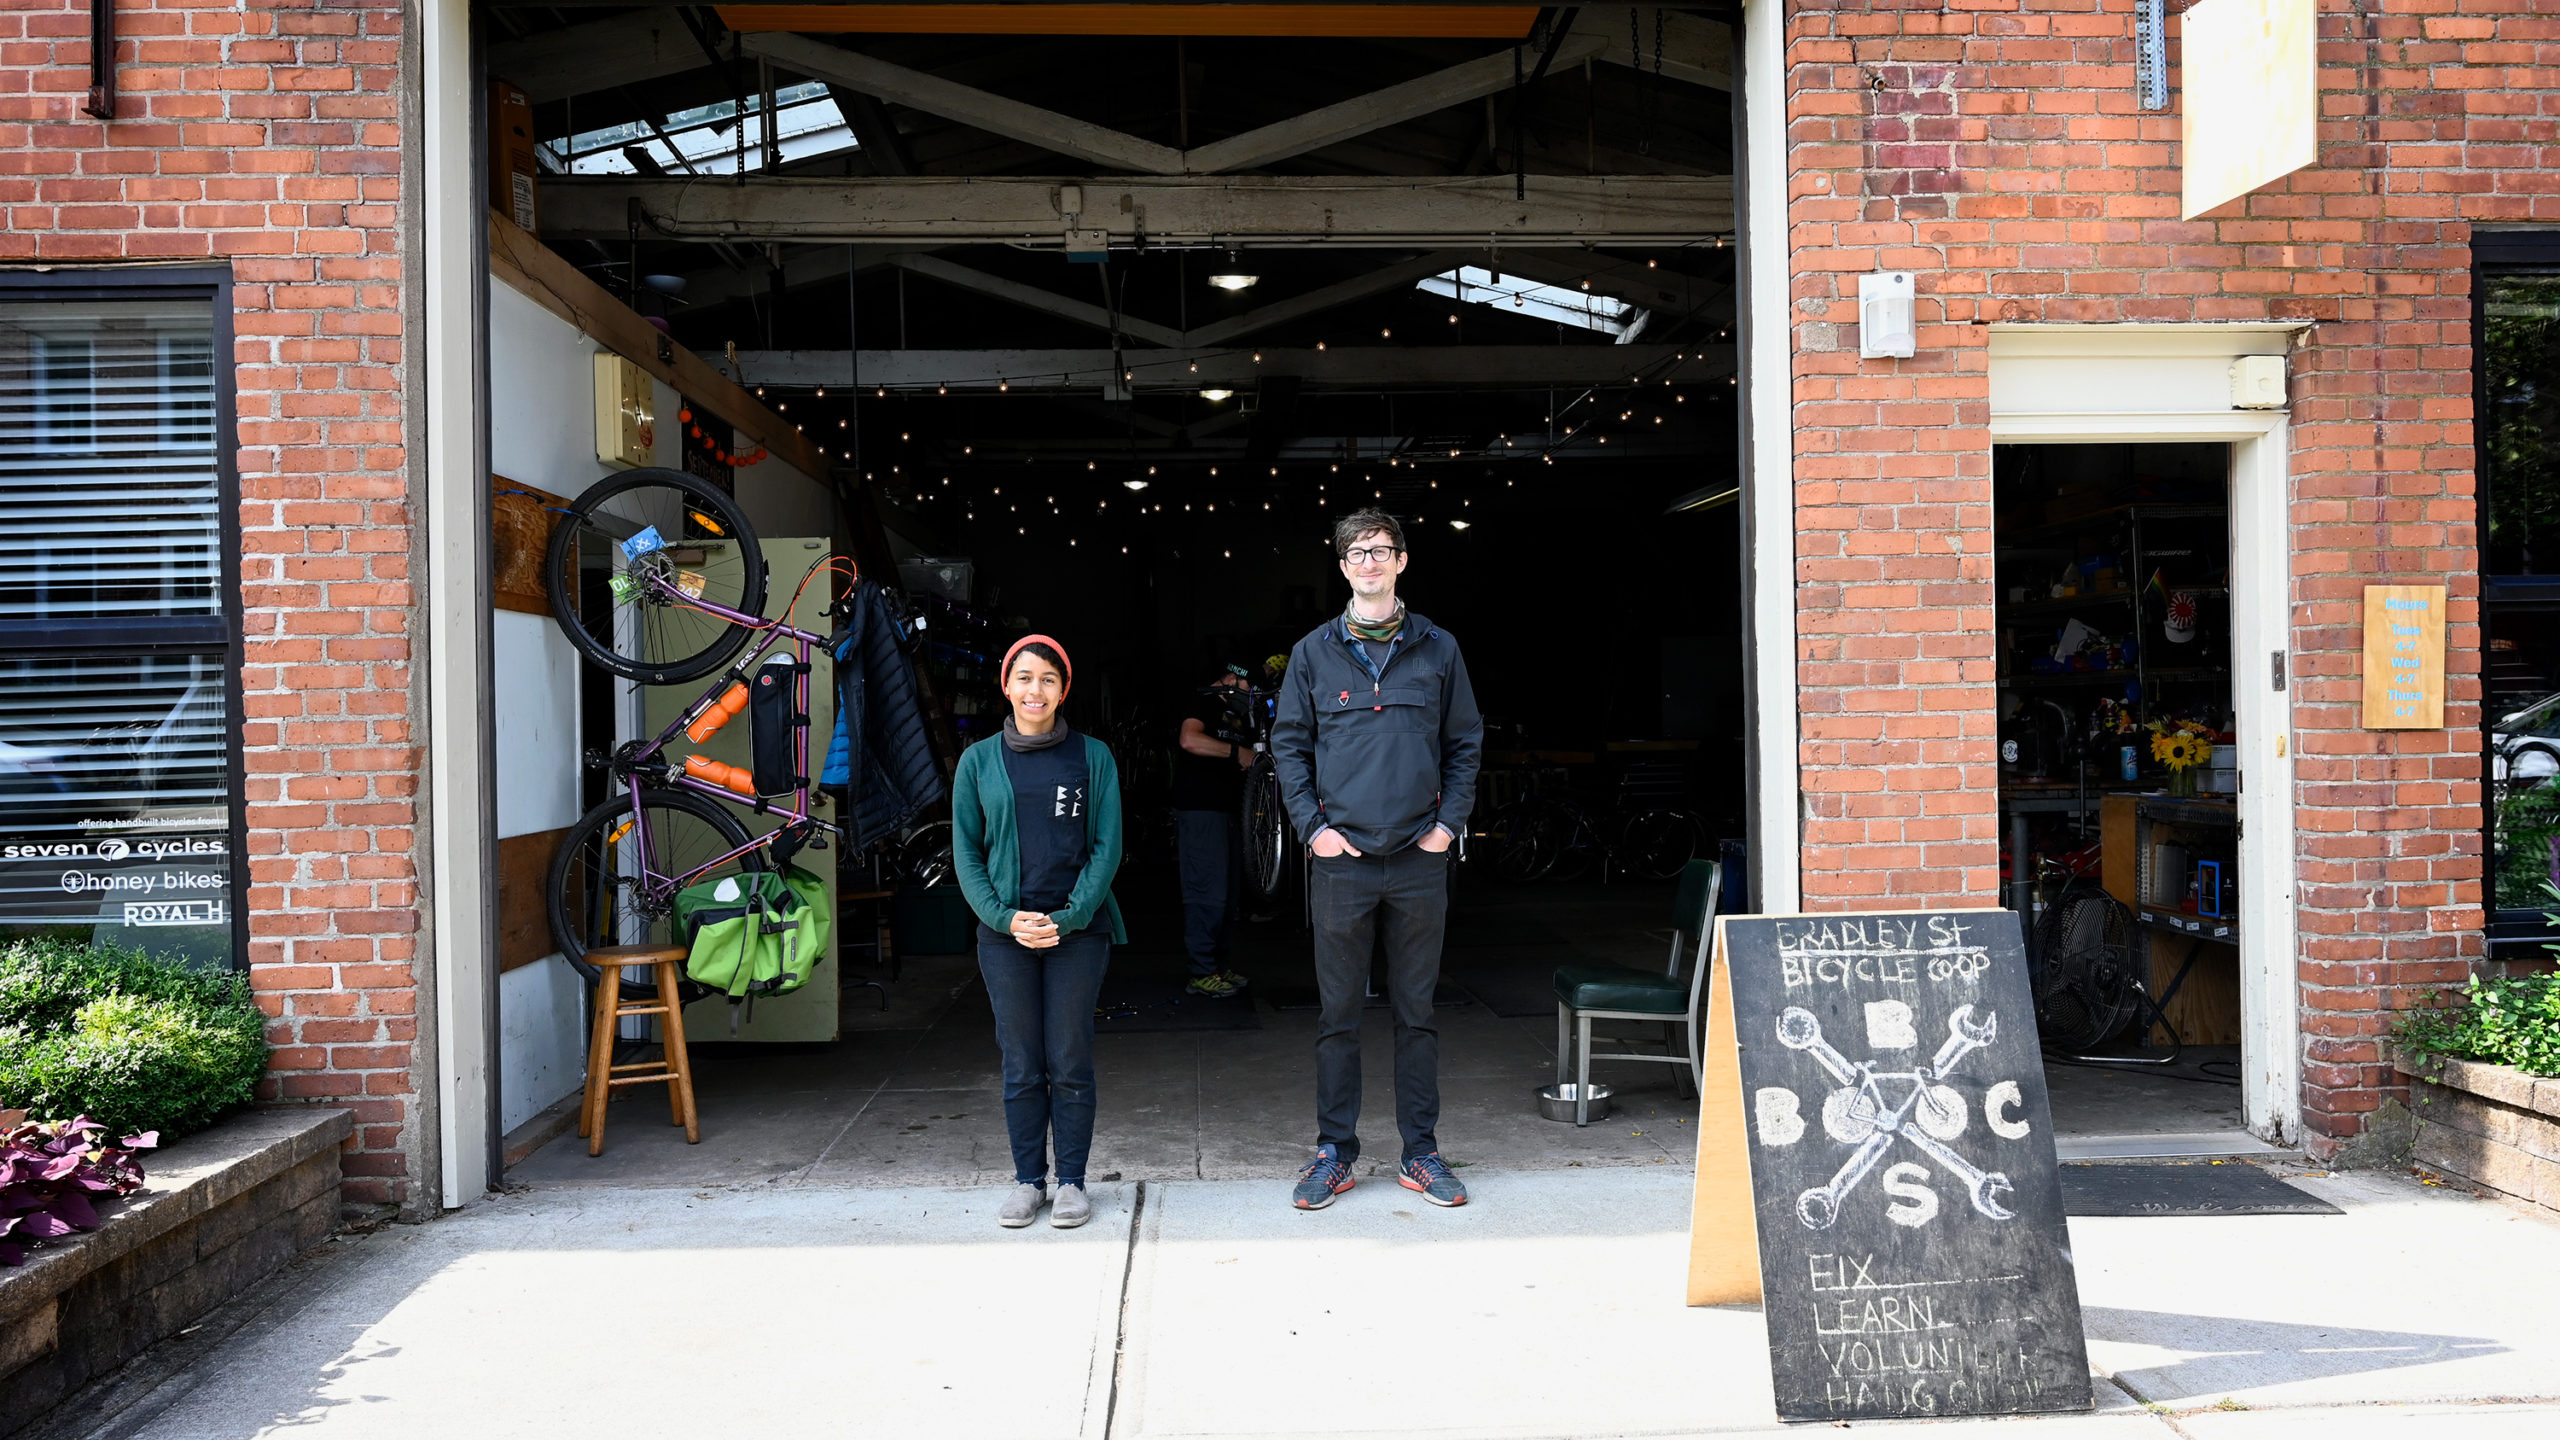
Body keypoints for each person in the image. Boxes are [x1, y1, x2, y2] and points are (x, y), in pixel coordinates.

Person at [1269, 509, 1483, 1210]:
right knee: (1338, 1015)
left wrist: (1448, 825)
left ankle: (1420, 1152)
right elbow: (1289, 747)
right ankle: (1335, 1152)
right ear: (1341, 567)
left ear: (1402, 562)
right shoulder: (1313, 653)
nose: (1369, 562)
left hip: (1420, 858)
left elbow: (1465, 743)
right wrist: (1313, 830)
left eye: (1381, 551)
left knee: (1416, 1013)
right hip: (1341, 863)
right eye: (1357, 553)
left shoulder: (1438, 648)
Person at [952, 634, 1126, 1230]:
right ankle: (1029, 1181)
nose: (1035, 690)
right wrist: (1004, 918)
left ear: (1063, 689)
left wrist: (1071, 915)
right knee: (1021, 1061)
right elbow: (967, 856)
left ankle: (1072, 1181)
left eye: (1048, 679)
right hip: (1005, 936)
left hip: (1077, 932)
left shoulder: (1093, 756)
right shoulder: (977, 761)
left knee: (1070, 1057)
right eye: (1024, 678)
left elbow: (1107, 847)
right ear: (1006, 685)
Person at [1171, 664, 1257, 998]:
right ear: (1230, 680)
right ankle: (1201, 971)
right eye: (1246, 686)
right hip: (1200, 811)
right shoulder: (1203, 702)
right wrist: (1238, 752)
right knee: (1206, 892)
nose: (1248, 695)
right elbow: (1189, 739)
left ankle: (1219, 966)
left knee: (1228, 895)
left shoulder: (1239, 717)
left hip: (1229, 812)